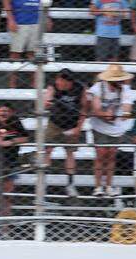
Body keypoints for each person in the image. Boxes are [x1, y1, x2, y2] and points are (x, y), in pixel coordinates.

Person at [87, 64, 135, 197]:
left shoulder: (125, 89)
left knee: (112, 155)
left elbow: (127, 106)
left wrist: (125, 113)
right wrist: (106, 115)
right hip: (100, 126)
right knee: (101, 154)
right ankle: (98, 187)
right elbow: (96, 109)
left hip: (117, 127)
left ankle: (108, 186)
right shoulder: (97, 89)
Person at [43, 68, 86, 197]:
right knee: (47, 150)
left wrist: (79, 128)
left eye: (64, 82)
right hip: (55, 123)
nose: (60, 84)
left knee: (70, 153)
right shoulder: (53, 86)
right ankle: (43, 183)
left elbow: (84, 108)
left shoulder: (80, 88)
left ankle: (70, 184)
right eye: (59, 81)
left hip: (72, 123)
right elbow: (47, 100)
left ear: (70, 82)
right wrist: (48, 102)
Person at [4, 0, 42, 87]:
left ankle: (34, 86)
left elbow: (45, 3)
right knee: (15, 54)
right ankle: (12, 86)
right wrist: (11, 19)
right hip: (19, 22)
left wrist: (47, 17)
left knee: (32, 53)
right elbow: (6, 2)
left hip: (36, 22)